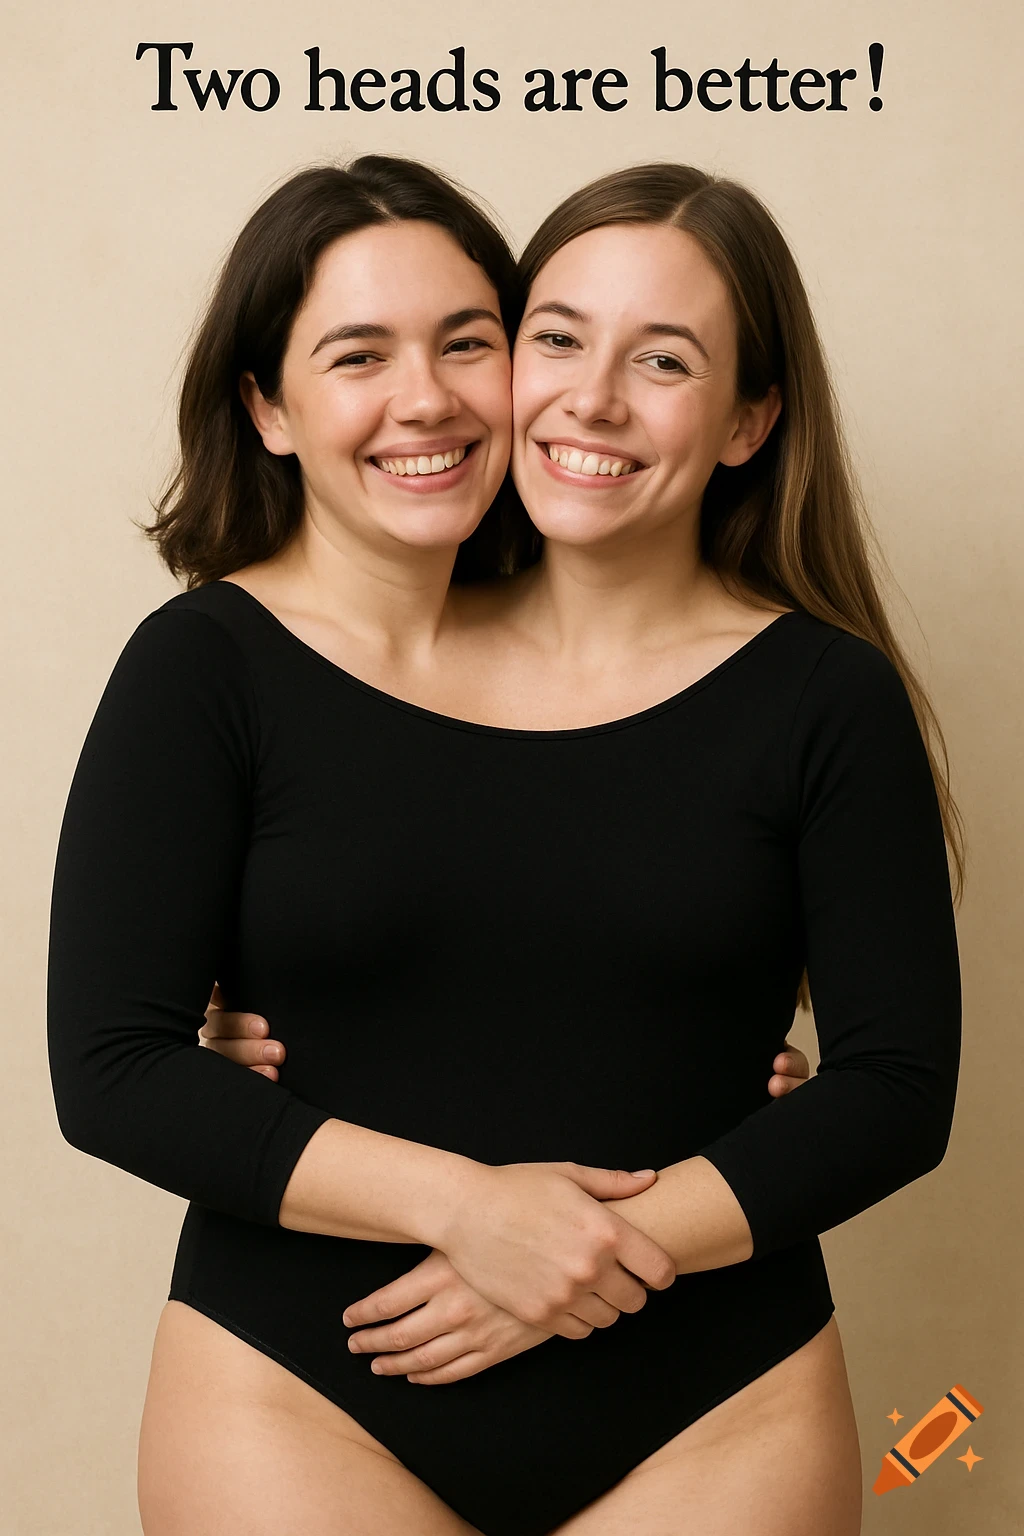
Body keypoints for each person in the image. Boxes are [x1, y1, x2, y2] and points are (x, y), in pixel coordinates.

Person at [47, 156, 962, 1536]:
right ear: (269, 404)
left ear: (749, 419)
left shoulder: (822, 697)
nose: (587, 397)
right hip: (305, 1386)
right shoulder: (237, 663)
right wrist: (470, 1207)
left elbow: (894, 1086)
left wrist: (579, 1239)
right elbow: (114, 1063)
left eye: (663, 360)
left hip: (716, 1402)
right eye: (557, 339)